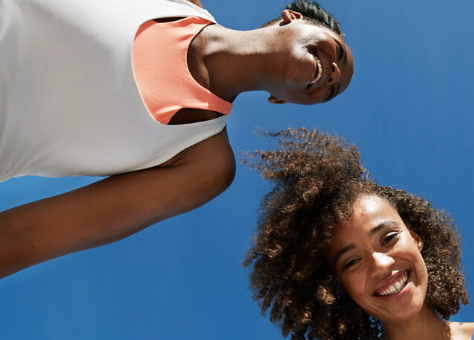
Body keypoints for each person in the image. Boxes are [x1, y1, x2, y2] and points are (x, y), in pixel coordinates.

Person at [0, 0, 354, 278]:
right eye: (337, 52)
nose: (333, 73)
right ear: (293, 18)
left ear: (281, 101)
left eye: (332, 91)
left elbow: (26, 238)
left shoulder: (204, 165)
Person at [244, 128, 474, 340]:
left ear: (416, 237)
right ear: (336, 288)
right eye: (352, 261)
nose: (380, 264)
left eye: (388, 238)